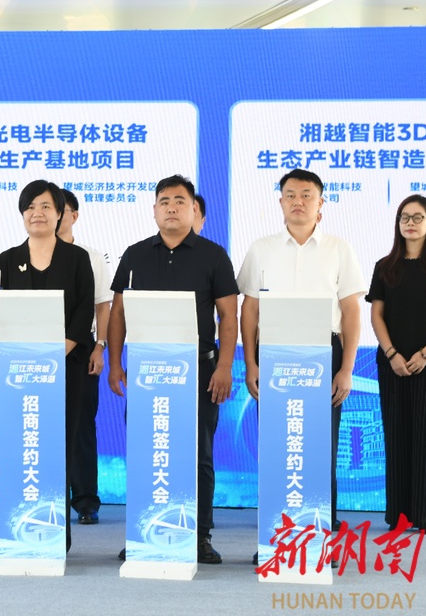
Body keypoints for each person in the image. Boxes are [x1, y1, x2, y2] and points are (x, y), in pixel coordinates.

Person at [108, 174, 237, 564]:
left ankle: (199, 536)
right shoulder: (134, 255)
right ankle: (143, 532)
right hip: (146, 372)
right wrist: (115, 363)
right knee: (147, 453)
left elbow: (228, 316)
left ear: (193, 209)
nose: (171, 207)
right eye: (164, 201)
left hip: (199, 371)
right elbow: (118, 313)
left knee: (198, 455)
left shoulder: (213, 255)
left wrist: (225, 366)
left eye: (180, 201)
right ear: (154, 210)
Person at [237, 168, 363, 534]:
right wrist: (250, 363)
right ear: (280, 202)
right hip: (273, 353)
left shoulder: (339, 248)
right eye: (290, 195)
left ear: (321, 203)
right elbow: (250, 309)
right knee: (278, 446)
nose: (298, 201)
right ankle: (276, 537)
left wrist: (347, 369)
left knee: (322, 447)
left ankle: (321, 537)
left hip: (325, 352)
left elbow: (351, 311)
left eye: (307, 195)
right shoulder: (262, 248)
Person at [0, 181, 94, 549]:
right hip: (20, 372)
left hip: (65, 367)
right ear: (22, 214)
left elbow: (84, 309)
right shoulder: (7, 260)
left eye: (46, 206)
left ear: (60, 214)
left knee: (58, 446)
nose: (38, 213)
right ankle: (19, 528)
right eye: (30, 206)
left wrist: (58, 351)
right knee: (23, 445)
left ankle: (55, 533)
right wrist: (22, 356)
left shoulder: (77, 257)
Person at [369, 194, 426, 531]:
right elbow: (377, 315)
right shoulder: (385, 266)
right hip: (393, 363)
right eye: (404, 217)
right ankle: (399, 515)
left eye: (418, 217)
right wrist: (392, 354)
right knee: (396, 435)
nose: (410, 223)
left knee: (425, 437)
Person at [59, 188, 112, 526]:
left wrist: (100, 346)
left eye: (59, 209)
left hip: (81, 348)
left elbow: (102, 304)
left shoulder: (91, 256)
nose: (51, 214)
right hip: (40, 349)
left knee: (81, 426)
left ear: (74, 216)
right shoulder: (30, 254)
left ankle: (85, 500)